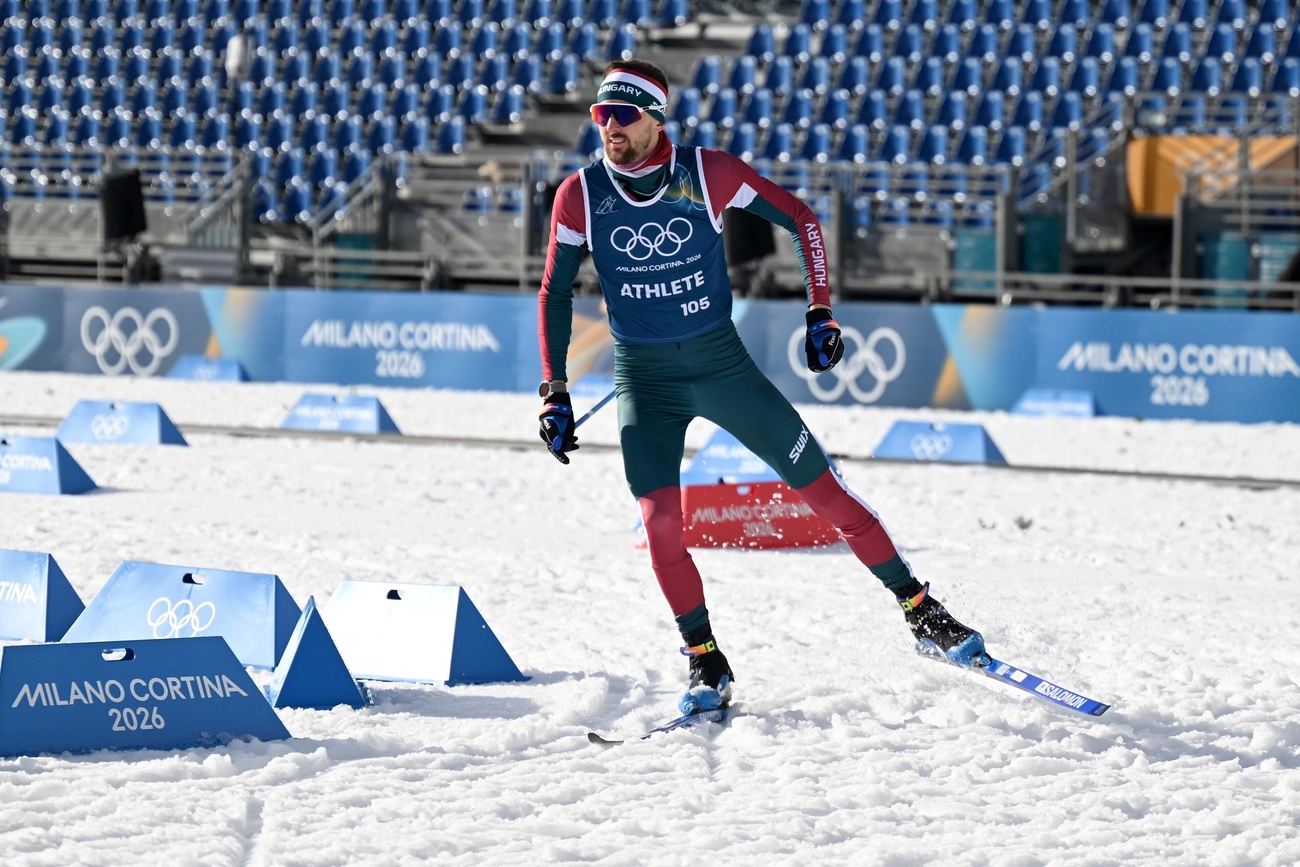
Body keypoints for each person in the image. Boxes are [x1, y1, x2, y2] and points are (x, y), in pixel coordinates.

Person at [536, 59, 986, 715]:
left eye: (623, 115)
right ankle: (704, 658)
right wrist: (554, 389)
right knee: (662, 527)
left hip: (724, 369)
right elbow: (554, 291)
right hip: (645, 382)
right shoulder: (580, 194)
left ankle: (920, 608)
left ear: (655, 118)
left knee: (825, 492)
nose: (608, 127)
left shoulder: (707, 173)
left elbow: (803, 220)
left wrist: (820, 310)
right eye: (600, 115)